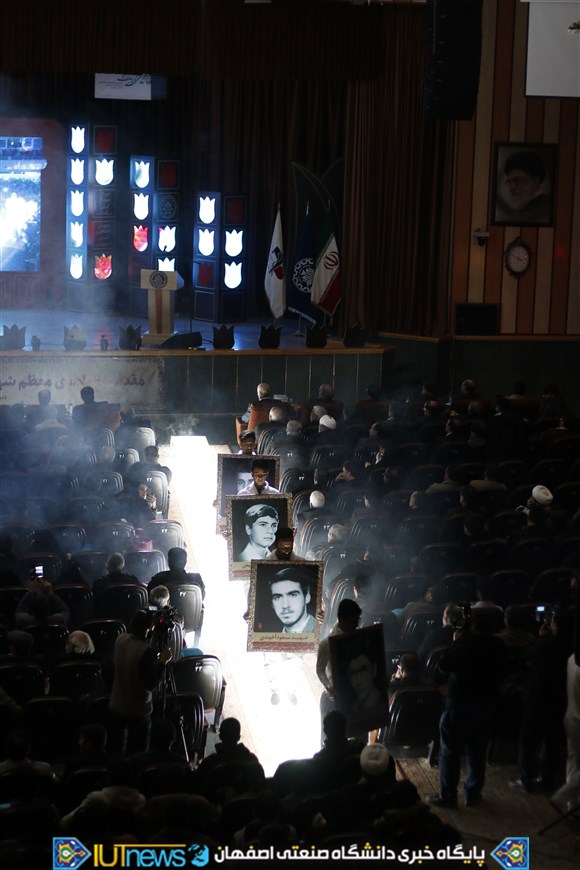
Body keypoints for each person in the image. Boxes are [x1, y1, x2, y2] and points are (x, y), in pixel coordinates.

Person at [428, 608, 507, 808]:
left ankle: (448, 795)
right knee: (478, 751)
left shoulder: (465, 644)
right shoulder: (499, 644)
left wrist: (455, 641)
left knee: (450, 751)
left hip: (459, 704)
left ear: (473, 625)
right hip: (486, 704)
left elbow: (444, 665)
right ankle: (473, 793)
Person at [108, 609, 172, 755]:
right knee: (138, 754)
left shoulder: (120, 639)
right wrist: (162, 662)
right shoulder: (146, 651)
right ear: (149, 628)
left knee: (116, 751)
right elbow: (150, 683)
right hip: (137, 711)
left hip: (116, 706)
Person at [316, 598, 362, 727]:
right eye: (354, 621)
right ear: (343, 620)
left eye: (358, 620)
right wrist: (329, 687)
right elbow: (320, 669)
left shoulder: (359, 638)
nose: (357, 625)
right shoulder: (326, 644)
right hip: (334, 699)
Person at [497, 151, 550, 224]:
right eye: (509, 182)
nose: (512, 188)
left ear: (535, 182)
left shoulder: (542, 208)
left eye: (517, 180)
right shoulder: (524, 209)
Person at [266, 566, 316, 633]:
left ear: (307, 597)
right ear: (272, 603)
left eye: (293, 595)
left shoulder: (323, 630)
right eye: (277, 597)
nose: (285, 605)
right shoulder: (271, 634)